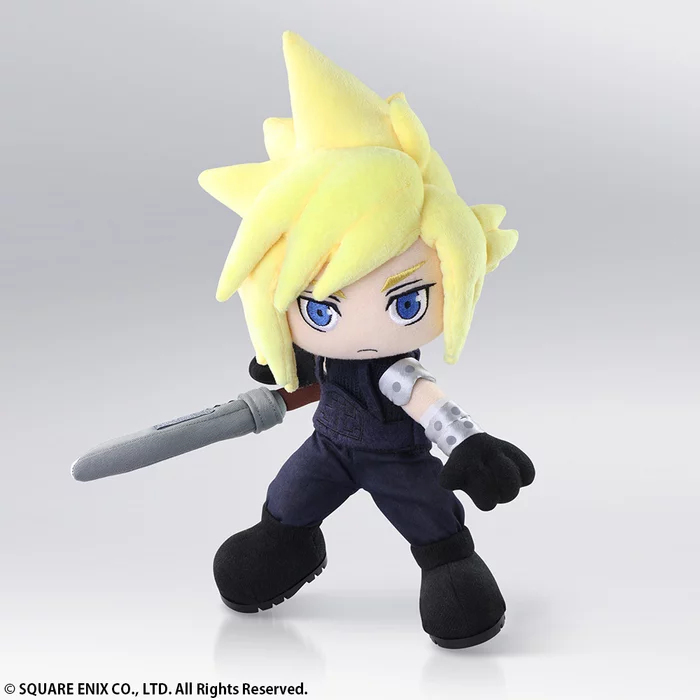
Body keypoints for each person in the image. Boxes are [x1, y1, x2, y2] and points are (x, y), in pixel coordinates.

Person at [198, 32, 535, 648]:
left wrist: (470, 444)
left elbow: (432, 405)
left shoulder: (398, 373)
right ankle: (287, 546)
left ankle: (451, 570)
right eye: (319, 309)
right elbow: (315, 383)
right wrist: (289, 367)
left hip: (396, 460)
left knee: (433, 525)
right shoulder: (324, 357)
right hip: (327, 448)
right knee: (287, 501)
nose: (353, 329)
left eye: (406, 301)